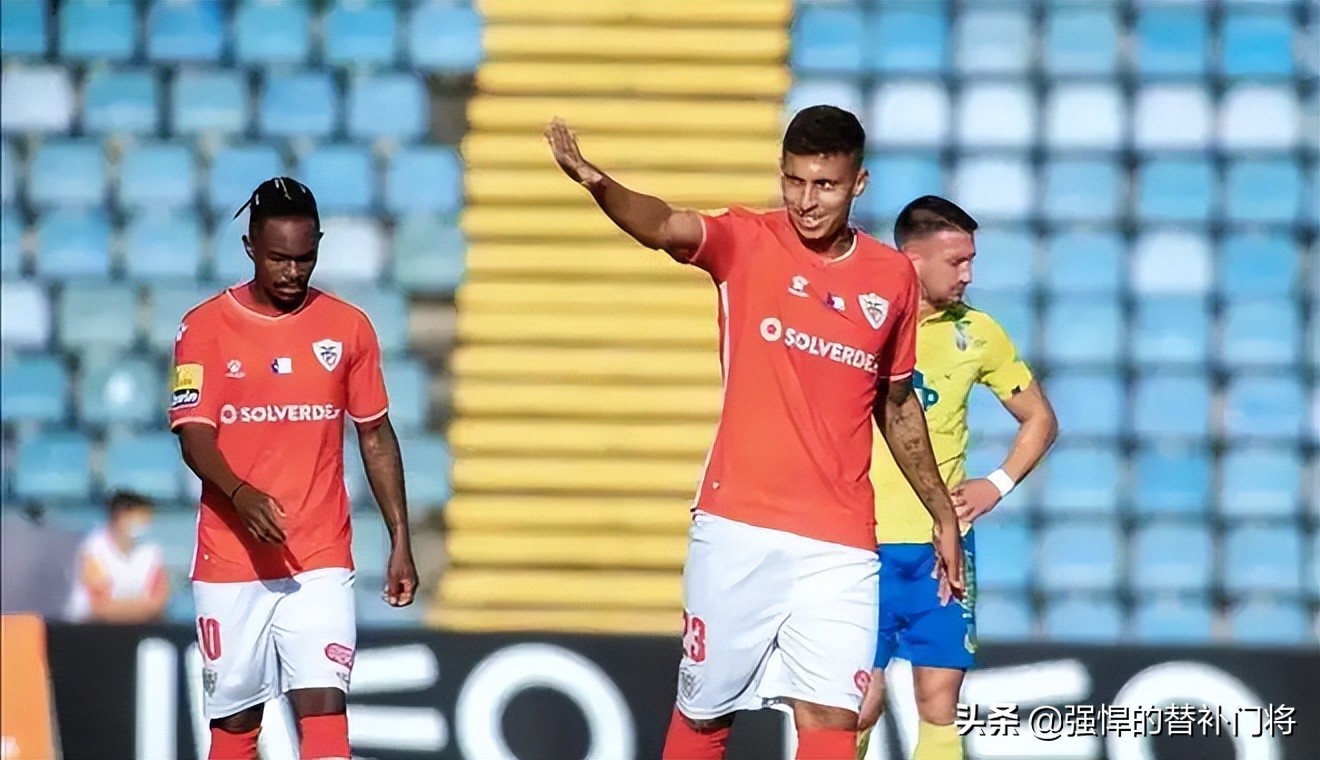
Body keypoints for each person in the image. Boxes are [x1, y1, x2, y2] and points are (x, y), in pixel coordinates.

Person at [546, 106, 967, 760]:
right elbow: (662, 224)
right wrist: (599, 183)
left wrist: (941, 511)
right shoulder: (746, 240)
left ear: (858, 184)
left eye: (824, 185)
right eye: (793, 181)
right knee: (706, 717)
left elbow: (898, 403)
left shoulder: (891, 279)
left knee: (834, 715)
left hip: (841, 541)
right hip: (739, 525)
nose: (805, 200)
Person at [169, 177, 418, 760]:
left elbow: (375, 435)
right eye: (279, 257)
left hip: (319, 555)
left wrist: (400, 537)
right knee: (234, 730)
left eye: (305, 258)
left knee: (326, 712)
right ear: (251, 246)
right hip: (232, 559)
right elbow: (193, 436)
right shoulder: (203, 327)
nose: (291, 271)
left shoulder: (348, 327)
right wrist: (239, 492)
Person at [856, 197, 1059, 760]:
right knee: (859, 702)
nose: (968, 273)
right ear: (912, 259)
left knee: (939, 704)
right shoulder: (863, 321)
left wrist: (996, 484)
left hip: (939, 545)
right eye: (957, 261)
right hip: (857, 541)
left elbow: (1039, 418)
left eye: (971, 260)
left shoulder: (978, 333)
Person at [64, 490, 170, 624]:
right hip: (90, 629)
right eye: (139, 516)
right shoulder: (94, 549)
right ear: (121, 516)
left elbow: (158, 602)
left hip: (139, 627)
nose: (146, 522)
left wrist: (135, 609)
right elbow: (100, 605)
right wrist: (141, 607)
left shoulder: (152, 552)